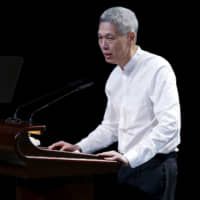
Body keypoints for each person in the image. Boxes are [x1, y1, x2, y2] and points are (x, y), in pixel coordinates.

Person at [49, 7, 181, 200]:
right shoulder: (115, 77)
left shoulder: (158, 68)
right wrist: (80, 148)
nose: (103, 45)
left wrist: (131, 157)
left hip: (155, 167)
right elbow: (111, 127)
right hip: (124, 166)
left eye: (110, 38)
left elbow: (170, 125)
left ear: (130, 37)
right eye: (100, 38)